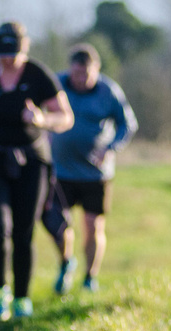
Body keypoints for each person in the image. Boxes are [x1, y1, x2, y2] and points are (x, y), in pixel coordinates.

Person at [0, 21, 74, 321]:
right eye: (3, 54)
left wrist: (41, 120)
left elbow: (65, 117)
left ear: (26, 49)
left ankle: (22, 298)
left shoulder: (38, 76)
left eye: (14, 54)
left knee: (24, 231)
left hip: (31, 162)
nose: (8, 60)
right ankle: (0, 292)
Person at [49, 43, 138, 294]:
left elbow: (127, 124)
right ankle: (66, 263)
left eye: (86, 74)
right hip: (60, 171)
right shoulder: (57, 84)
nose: (80, 79)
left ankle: (90, 277)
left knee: (92, 225)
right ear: (70, 70)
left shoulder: (108, 91)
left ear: (97, 70)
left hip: (95, 174)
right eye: (76, 74)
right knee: (58, 224)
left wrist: (110, 147)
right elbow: (40, 109)